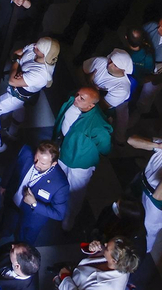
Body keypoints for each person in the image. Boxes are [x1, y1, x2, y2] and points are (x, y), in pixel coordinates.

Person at [52, 86, 112, 230]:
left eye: (81, 98)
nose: (76, 98)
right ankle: (56, 204)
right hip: (63, 150)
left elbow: (105, 147)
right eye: (78, 94)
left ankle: (69, 217)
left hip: (80, 161)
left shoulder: (97, 125)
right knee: (59, 180)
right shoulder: (73, 102)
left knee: (76, 191)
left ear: (91, 105)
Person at [53, 236, 140, 289]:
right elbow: (95, 256)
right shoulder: (120, 261)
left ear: (114, 261)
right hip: (74, 276)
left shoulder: (108, 287)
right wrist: (92, 249)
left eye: (106, 248)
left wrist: (65, 278)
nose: (104, 244)